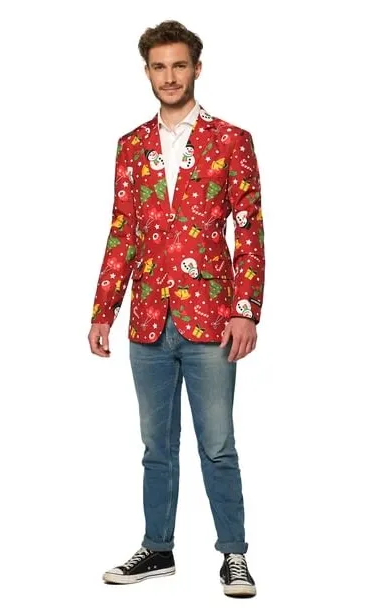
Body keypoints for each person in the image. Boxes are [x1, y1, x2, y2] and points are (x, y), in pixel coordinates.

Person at [87, 20, 265, 599]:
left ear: (196, 69)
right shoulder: (131, 145)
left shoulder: (230, 140)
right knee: (156, 447)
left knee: (218, 444)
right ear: (147, 72)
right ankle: (157, 548)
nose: (169, 77)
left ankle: (234, 554)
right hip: (147, 320)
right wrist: (103, 309)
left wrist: (245, 309)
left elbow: (250, 230)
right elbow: (123, 232)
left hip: (212, 320)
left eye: (179, 65)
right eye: (159, 67)